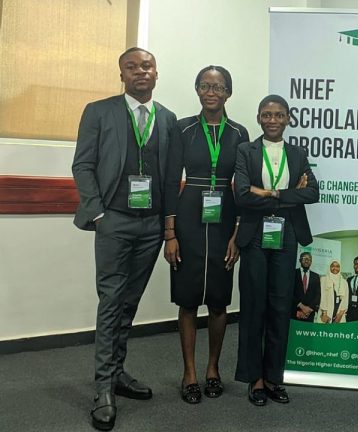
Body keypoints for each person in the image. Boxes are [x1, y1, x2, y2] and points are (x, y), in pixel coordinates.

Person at [72, 47, 178, 431]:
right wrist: (99, 214)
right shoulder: (98, 112)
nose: (140, 71)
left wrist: (167, 228)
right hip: (113, 221)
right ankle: (103, 388)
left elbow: (170, 178)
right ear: (122, 75)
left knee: (129, 303)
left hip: (150, 226)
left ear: (156, 72)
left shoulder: (167, 119)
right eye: (131, 67)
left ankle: (117, 372)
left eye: (146, 65)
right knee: (111, 302)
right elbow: (83, 164)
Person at [163, 65, 249, 404]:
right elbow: (171, 181)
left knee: (218, 300)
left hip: (225, 217)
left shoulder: (239, 133)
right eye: (204, 85)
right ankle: (189, 373)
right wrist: (170, 234)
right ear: (197, 90)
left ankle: (213, 369)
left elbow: (243, 186)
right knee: (187, 301)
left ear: (229, 92)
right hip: (188, 218)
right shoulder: (182, 128)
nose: (211, 92)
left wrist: (237, 233)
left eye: (218, 86)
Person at [233, 94, 319, 407]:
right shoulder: (246, 150)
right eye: (267, 115)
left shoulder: (297, 153)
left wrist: (271, 194)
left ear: (288, 119)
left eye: (279, 115)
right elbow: (243, 195)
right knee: (254, 305)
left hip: (287, 234)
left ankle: (273, 377)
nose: (273, 120)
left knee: (281, 307)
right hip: (255, 235)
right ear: (259, 118)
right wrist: (288, 193)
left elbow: (312, 192)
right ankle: (254, 378)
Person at [293, 252, 321, 322]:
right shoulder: (293, 273)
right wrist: (301, 306)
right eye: (304, 258)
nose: (306, 260)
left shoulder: (316, 276)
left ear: (311, 261)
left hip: (309, 314)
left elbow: (318, 295)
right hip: (295, 312)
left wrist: (308, 309)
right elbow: (289, 292)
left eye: (309, 259)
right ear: (300, 260)